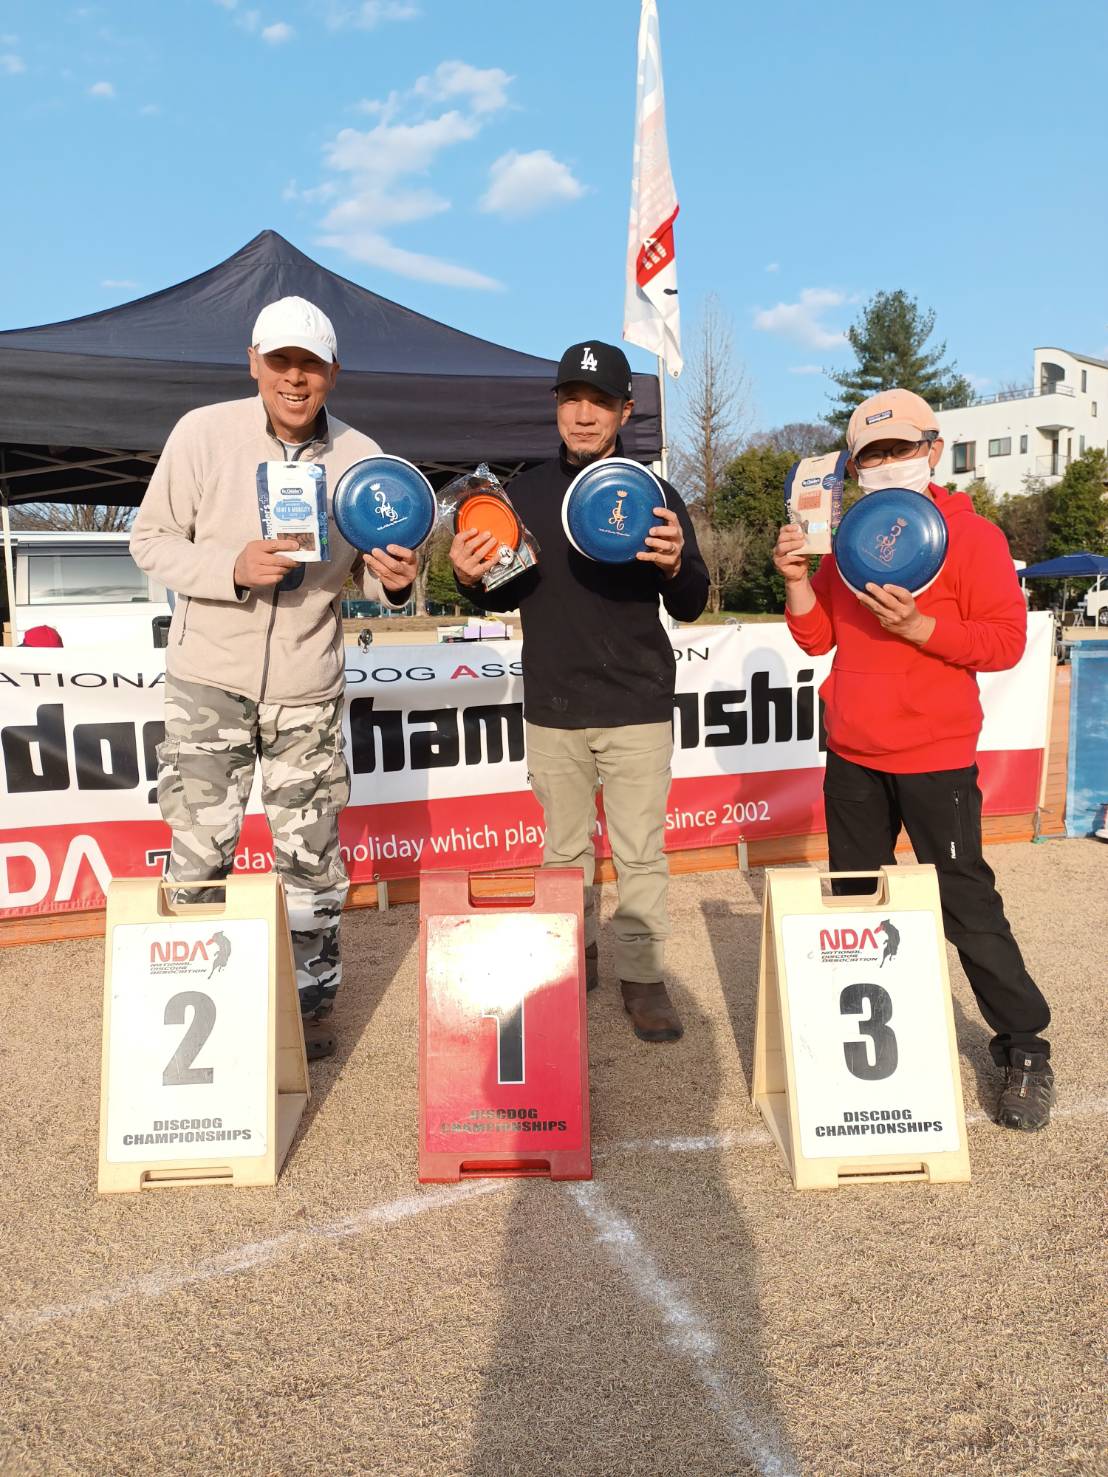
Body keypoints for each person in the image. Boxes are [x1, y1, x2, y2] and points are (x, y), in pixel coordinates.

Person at [131, 296, 417, 1061]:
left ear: (334, 372)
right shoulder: (202, 433)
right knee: (199, 855)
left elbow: (374, 572)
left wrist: (394, 581)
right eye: (281, 360)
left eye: (310, 364)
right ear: (253, 362)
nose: (295, 378)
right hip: (208, 682)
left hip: (307, 687)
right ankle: (192, 1009)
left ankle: (309, 1009)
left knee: (312, 861)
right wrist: (229, 566)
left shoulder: (363, 458)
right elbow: (150, 540)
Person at [773, 388, 1054, 1130]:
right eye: (872, 454)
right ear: (854, 466)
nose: (888, 463)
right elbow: (815, 638)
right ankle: (863, 1052)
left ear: (933, 449)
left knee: (966, 906)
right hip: (853, 754)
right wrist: (798, 580)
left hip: (936, 755)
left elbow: (1005, 642)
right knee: (857, 904)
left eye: (901, 448)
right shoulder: (845, 541)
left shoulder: (973, 537)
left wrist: (923, 627)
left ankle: (1024, 1046)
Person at [450, 341, 709, 1042]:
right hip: (555, 704)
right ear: (557, 407)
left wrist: (676, 565)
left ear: (626, 410)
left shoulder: (655, 495)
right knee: (562, 852)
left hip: (636, 703)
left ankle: (643, 977)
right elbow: (498, 591)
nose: (584, 414)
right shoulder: (522, 494)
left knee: (640, 853)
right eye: (572, 399)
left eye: (600, 401)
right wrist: (469, 579)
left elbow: (691, 601)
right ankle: (570, 959)